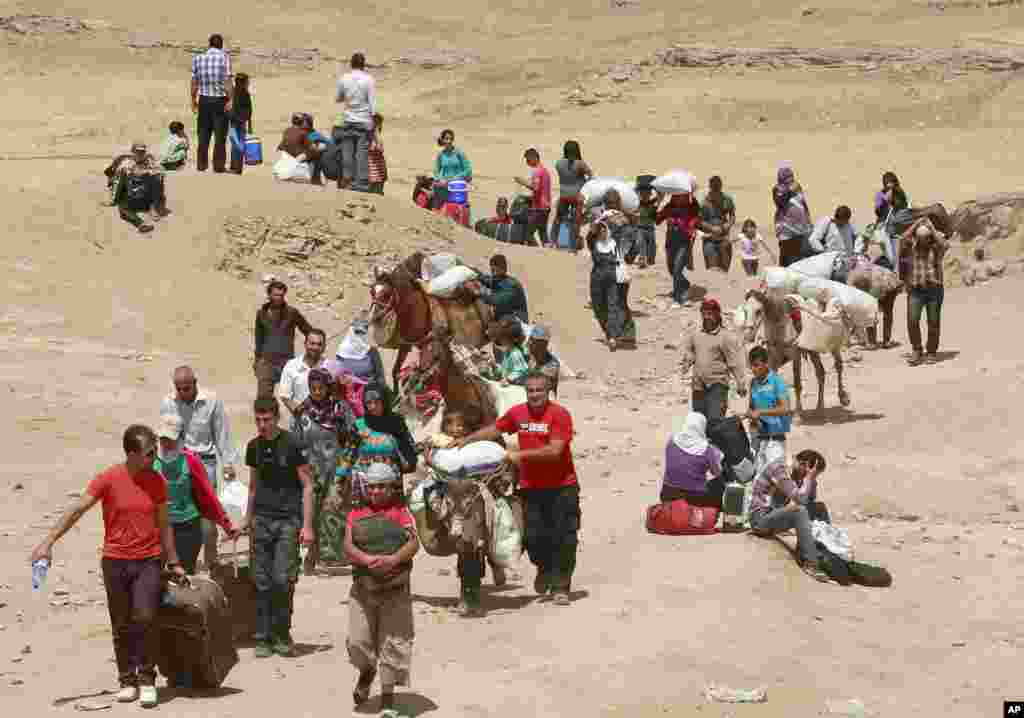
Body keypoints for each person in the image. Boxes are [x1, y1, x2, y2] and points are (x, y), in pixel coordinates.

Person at [30, 425, 186, 708]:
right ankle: (127, 680)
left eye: (155, 452)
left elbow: (164, 524)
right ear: (131, 454)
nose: (154, 458)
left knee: (145, 617)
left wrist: (174, 561)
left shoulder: (157, 481)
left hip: (148, 560)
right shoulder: (109, 478)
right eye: (149, 453)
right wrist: (47, 542)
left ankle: (148, 679)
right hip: (115, 561)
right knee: (122, 624)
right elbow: (77, 510)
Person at [455, 372, 580, 605]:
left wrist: (517, 456)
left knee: (564, 537)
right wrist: (467, 440)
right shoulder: (518, 413)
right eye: (530, 390)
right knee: (532, 536)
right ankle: (544, 570)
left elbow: (555, 451)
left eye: (539, 390)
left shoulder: (560, 415)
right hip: (531, 487)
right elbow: (496, 429)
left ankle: (561, 585)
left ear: (548, 391)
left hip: (562, 487)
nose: (534, 395)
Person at [344, 462, 419, 714]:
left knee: (392, 644)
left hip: (395, 591)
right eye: (372, 486)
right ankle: (367, 671)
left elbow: (413, 544)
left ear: (391, 488)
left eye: (381, 487)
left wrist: (393, 560)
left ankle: (388, 700)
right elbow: (348, 546)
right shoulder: (356, 514)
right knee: (357, 642)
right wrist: (365, 560)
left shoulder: (401, 513)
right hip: (363, 590)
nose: (375, 491)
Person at [243, 397, 314, 658]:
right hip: (261, 518)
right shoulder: (253, 447)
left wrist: (307, 527)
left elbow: (307, 486)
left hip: (287, 520)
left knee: (282, 579)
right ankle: (263, 637)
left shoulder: (293, 444)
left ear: (276, 418)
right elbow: (252, 486)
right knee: (260, 581)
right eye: (258, 420)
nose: (262, 425)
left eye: (267, 419)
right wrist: (247, 518)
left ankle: (282, 634)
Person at [159, 365, 240, 572]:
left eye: (187, 388)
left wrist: (228, 463)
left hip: (205, 462)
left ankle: (211, 559)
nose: (183, 393)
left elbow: (222, 432)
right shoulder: (168, 402)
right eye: (179, 389)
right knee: (179, 511)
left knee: (207, 512)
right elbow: (166, 435)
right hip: (179, 462)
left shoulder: (212, 401)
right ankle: (180, 557)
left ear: (195, 384)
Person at [154, 416, 238, 578]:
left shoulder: (190, 460)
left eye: (170, 439)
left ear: (180, 438)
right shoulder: (151, 460)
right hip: (160, 527)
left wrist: (226, 524)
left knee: (184, 576)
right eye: (163, 438)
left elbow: (208, 494)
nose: (166, 443)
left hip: (188, 527)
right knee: (156, 576)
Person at [296, 368, 356, 573]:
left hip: (336, 467)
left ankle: (331, 557)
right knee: (310, 512)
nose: (317, 392)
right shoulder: (302, 412)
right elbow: (295, 442)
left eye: (321, 388)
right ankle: (310, 557)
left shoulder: (341, 409)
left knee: (333, 510)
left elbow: (353, 437)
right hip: (311, 469)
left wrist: (348, 464)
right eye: (313, 388)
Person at [748, 449, 831, 583]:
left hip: (774, 515)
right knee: (799, 511)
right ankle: (811, 564)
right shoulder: (779, 469)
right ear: (803, 465)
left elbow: (810, 501)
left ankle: (824, 551)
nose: (813, 477)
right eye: (813, 474)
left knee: (819, 508)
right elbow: (801, 500)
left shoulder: (800, 474)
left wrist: (811, 481)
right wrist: (808, 479)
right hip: (759, 519)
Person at [338, 383, 418, 508]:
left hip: (391, 486)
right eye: (369, 403)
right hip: (365, 487)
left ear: (384, 402)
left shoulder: (396, 422)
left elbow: (409, 448)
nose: (372, 407)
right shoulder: (359, 426)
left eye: (377, 402)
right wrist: (340, 478)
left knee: (393, 521)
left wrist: (409, 462)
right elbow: (348, 454)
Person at [679, 298, 747, 422]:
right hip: (698, 384)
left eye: (710, 313)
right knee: (698, 421)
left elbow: (734, 362)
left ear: (717, 314)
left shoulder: (725, 337)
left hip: (718, 384)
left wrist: (740, 383)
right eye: (704, 313)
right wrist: (687, 362)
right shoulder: (696, 334)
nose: (707, 317)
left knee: (715, 420)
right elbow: (690, 351)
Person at [254, 280, 314, 398]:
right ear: (269, 295)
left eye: (281, 295)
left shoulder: (292, 313)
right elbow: (258, 338)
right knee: (263, 398)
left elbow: (308, 330)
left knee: (296, 396)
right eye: (276, 295)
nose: (279, 298)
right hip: (266, 362)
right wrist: (257, 360)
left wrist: (312, 347)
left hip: (287, 362)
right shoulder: (261, 314)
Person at [900, 221, 948, 366]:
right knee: (912, 321)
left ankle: (931, 352)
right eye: (921, 238)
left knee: (933, 322)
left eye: (926, 238)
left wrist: (932, 228)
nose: (924, 241)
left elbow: (943, 244)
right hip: (916, 290)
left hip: (934, 289)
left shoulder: (937, 248)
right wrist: (916, 224)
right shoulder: (911, 248)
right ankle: (917, 350)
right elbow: (903, 238)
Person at [587, 210, 637, 351]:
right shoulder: (593, 243)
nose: (602, 232)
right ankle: (610, 333)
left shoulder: (615, 243)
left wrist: (624, 219)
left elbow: (628, 234)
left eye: (604, 229)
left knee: (612, 306)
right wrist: (599, 220)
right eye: (600, 229)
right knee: (598, 308)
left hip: (612, 279)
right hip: (596, 279)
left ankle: (612, 337)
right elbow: (590, 234)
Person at [659, 413, 726, 507]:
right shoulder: (706, 449)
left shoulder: (672, 441)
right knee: (720, 486)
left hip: (667, 493)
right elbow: (717, 473)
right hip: (694, 497)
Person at [746, 346, 792, 475]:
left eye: (757, 365)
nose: (753, 369)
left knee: (775, 477)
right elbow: (752, 408)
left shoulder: (777, 382)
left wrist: (761, 412)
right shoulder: (753, 383)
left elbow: (785, 408)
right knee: (758, 477)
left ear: (766, 364)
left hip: (775, 438)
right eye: (751, 366)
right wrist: (748, 416)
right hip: (759, 437)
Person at [334, 52, 377, 192]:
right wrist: (374, 120)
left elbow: (338, 98)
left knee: (347, 152)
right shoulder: (369, 79)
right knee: (362, 154)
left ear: (351, 64)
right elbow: (373, 104)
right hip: (364, 121)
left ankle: (347, 181)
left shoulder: (344, 78)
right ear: (363, 64)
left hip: (348, 120)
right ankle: (362, 184)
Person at [190, 33, 233, 173]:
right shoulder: (224, 57)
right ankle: (218, 166)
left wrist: (193, 100)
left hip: (204, 100)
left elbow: (194, 82)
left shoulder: (198, 58)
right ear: (221, 44)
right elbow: (227, 81)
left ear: (209, 44)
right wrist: (231, 99)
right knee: (220, 136)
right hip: (219, 100)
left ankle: (201, 165)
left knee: (203, 134)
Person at [111, 142, 170, 234]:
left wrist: (149, 173)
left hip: (147, 197)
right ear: (132, 152)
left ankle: (154, 208)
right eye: (137, 151)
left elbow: (161, 172)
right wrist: (114, 199)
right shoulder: (126, 165)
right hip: (132, 197)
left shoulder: (150, 162)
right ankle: (141, 224)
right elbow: (117, 182)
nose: (139, 154)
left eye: (142, 152)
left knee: (158, 177)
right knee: (122, 208)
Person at [278, 329, 329, 432]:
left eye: (319, 344)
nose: (315, 347)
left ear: (324, 347)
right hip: (300, 425)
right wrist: (301, 414)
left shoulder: (329, 367)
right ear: (305, 344)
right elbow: (285, 395)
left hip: (326, 426)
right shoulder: (291, 365)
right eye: (312, 343)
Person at [656, 189, 701, 307]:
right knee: (672, 270)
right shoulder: (669, 208)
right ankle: (685, 285)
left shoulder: (691, 208)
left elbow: (697, 221)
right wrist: (658, 201)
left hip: (683, 243)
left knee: (677, 270)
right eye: (677, 196)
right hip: (670, 243)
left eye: (683, 196)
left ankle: (678, 299)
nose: (680, 198)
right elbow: (657, 220)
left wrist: (691, 225)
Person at [552, 141, 592, 250]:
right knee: (576, 221)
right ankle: (573, 246)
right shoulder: (580, 163)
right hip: (576, 196)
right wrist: (584, 182)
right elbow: (590, 175)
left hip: (564, 195)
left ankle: (553, 241)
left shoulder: (559, 163)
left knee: (558, 218)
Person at [772, 164, 813, 267]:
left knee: (800, 257)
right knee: (787, 257)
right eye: (787, 176)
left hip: (800, 228)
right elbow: (779, 203)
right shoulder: (777, 189)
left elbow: (803, 203)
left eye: (791, 176)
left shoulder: (797, 186)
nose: (790, 178)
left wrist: (808, 219)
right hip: (786, 229)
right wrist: (790, 191)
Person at [472, 254, 529, 323]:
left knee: (492, 330)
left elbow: (496, 300)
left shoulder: (512, 285)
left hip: (516, 320)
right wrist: (474, 273)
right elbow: (486, 279)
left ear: (503, 269)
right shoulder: (498, 279)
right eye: (492, 270)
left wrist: (479, 293)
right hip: (503, 317)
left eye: (494, 270)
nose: (493, 273)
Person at [515, 148, 552, 248]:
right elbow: (542, 190)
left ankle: (536, 251)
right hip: (546, 207)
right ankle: (548, 252)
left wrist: (522, 182)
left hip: (539, 208)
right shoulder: (545, 171)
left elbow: (535, 188)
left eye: (528, 159)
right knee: (543, 233)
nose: (527, 162)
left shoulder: (537, 171)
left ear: (534, 158)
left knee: (527, 234)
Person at [335, 315, 387, 387]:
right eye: (357, 332)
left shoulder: (372, 352)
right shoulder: (342, 352)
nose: (360, 335)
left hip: (370, 390)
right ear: (351, 331)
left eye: (363, 332)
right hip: (349, 391)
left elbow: (380, 377)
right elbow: (339, 377)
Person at [698, 176, 736, 271]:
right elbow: (698, 220)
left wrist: (727, 225)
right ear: (710, 186)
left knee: (724, 269)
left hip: (724, 238)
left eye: (718, 186)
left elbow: (732, 216)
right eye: (714, 186)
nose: (716, 188)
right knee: (712, 269)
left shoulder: (727, 199)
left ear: (721, 186)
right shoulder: (703, 202)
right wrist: (711, 228)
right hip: (709, 238)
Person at [432, 129, 472, 209]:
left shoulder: (459, 153)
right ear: (443, 140)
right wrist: (440, 179)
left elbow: (468, 170)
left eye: (451, 139)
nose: (449, 141)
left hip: (457, 183)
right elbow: (436, 171)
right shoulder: (440, 155)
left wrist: (456, 177)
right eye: (446, 139)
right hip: (445, 184)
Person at [485, 319, 530, 386]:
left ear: (512, 340)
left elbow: (520, 371)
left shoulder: (515, 354)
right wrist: (494, 366)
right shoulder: (507, 353)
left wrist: (508, 379)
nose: (501, 342)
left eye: (504, 340)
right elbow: (505, 369)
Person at [228, 73, 253, 174]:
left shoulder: (233, 92)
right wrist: (249, 123)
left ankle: (234, 167)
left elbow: (249, 110)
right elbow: (249, 110)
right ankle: (237, 168)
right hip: (238, 122)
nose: (248, 83)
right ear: (244, 82)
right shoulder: (243, 93)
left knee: (235, 145)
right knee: (239, 145)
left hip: (235, 122)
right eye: (247, 82)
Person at [633, 176, 661, 268]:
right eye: (642, 193)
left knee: (651, 251)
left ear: (650, 194)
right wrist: (636, 188)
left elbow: (660, 196)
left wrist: (656, 188)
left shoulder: (653, 203)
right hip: (640, 228)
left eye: (647, 193)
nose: (645, 195)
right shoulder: (637, 203)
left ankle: (649, 259)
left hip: (651, 229)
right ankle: (641, 260)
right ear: (640, 194)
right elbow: (633, 195)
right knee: (641, 244)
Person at [527, 325, 560, 397]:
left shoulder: (552, 365)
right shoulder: (531, 358)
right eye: (530, 339)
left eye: (534, 341)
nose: (529, 343)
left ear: (544, 344)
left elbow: (538, 384)